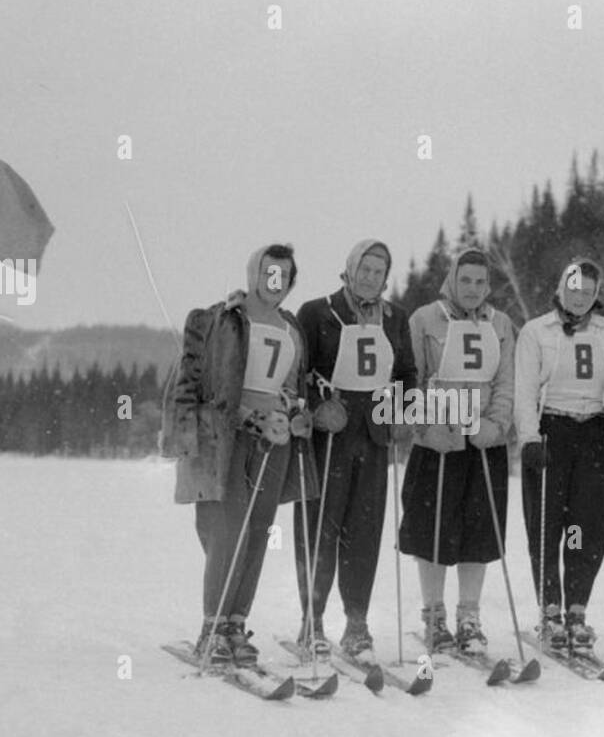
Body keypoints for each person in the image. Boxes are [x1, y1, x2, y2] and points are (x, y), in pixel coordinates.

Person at [160, 244, 316, 668]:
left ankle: (235, 623)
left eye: (283, 276)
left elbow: (293, 385)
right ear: (253, 274)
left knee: (259, 532)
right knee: (229, 531)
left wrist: (294, 415)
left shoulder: (291, 328)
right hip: (226, 441)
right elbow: (191, 382)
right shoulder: (219, 319)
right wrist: (194, 432)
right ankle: (211, 628)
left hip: (273, 444)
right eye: (268, 273)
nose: (275, 283)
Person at [292, 239, 417, 658]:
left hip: (374, 434)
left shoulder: (395, 318)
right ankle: (312, 620)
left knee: (364, 531)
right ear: (349, 269)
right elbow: (298, 371)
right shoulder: (317, 312)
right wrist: (314, 406)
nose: (370, 278)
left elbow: (406, 373)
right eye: (364, 269)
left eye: (379, 272)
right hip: (330, 432)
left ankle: (357, 622)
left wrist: (401, 411)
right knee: (320, 528)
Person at [513, 257, 604, 653]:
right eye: (573, 290)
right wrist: (529, 436)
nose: (580, 298)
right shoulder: (537, 331)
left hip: (591, 432)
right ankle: (550, 608)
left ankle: (577, 607)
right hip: (551, 431)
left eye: (588, 292)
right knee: (548, 522)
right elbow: (524, 389)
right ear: (560, 288)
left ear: (596, 295)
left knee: (585, 524)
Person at [397, 247, 516, 653]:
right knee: (432, 531)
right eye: (465, 280)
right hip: (439, 443)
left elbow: (506, 383)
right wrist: (427, 422)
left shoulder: (500, 323)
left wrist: (495, 425)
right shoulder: (426, 319)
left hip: (481, 442)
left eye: (480, 282)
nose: (472, 289)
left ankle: (469, 615)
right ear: (452, 279)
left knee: (478, 533)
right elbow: (409, 377)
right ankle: (434, 615)